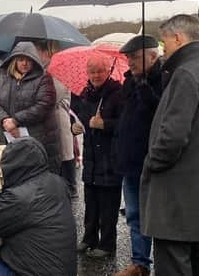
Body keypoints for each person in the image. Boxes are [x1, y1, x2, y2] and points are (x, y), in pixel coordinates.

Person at [0, 138, 76, 276]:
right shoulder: (57, 183)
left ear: (13, 165)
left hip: (29, 271)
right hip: (58, 270)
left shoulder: (21, 197)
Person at [141, 15, 199, 276]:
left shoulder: (185, 73)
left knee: (173, 264)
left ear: (178, 37)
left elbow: (173, 136)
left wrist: (153, 161)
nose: (164, 49)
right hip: (192, 191)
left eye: (164, 43)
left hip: (176, 194)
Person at [112, 35, 162, 276]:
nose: (130, 62)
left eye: (135, 57)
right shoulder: (129, 81)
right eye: (128, 57)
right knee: (133, 214)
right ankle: (139, 264)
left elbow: (160, 114)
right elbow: (125, 118)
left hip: (151, 161)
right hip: (129, 161)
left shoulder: (164, 79)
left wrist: (145, 88)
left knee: (156, 216)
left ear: (153, 57)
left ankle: (163, 264)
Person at [72, 55, 123, 259]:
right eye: (92, 71)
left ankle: (107, 243)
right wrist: (75, 127)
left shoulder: (118, 94)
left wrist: (105, 124)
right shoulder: (86, 93)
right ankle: (89, 238)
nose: (95, 75)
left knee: (108, 205)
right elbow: (82, 119)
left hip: (110, 157)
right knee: (90, 201)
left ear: (108, 71)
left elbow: (125, 124)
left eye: (100, 71)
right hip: (92, 157)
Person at [0, 42, 61, 173]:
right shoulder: (4, 77)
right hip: (7, 138)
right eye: (21, 60)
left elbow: (43, 105)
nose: (24, 63)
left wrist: (15, 121)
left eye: (29, 60)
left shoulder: (43, 78)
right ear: (14, 61)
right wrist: (4, 120)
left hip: (36, 139)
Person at [35, 39, 77, 198]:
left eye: (38, 52)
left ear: (46, 52)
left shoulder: (56, 69)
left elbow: (56, 95)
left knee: (64, 152)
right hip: (52, 117)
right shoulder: (46, 69)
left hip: (58, 115)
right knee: (59, 151)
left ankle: (70, 185)